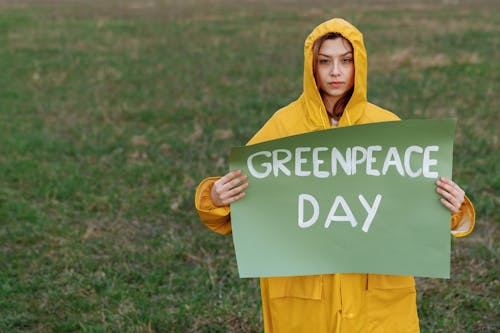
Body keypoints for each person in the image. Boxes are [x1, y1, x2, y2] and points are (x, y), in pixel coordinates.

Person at [194, 18, 475, 333]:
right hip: (305, 301)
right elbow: (247, 206)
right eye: (325, 61)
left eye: (345, 60)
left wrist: (453, 209)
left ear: (360, 64)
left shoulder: (388, 127)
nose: (336, 71)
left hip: (376, 300)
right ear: (311, 66)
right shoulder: (282, 128)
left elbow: (413, 206)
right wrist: (215, 199)